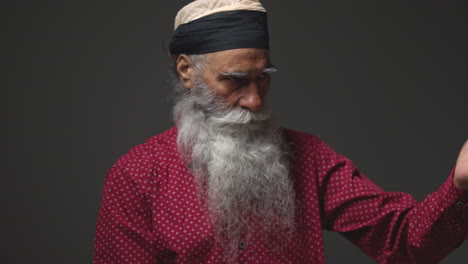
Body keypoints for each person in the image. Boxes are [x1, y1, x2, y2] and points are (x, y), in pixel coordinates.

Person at [93, 0, 468, 263]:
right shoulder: (137, 175)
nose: (254, 101)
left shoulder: (308, 157)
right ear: (187, 71)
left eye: (262, 79)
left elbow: (403, 242)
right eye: (235, 81)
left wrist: (461, 185)